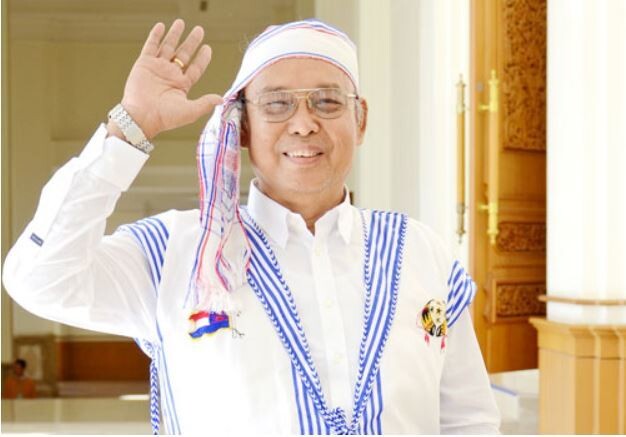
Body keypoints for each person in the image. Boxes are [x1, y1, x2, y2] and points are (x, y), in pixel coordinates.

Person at [3, 18, 500, 434]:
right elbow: (39, 279)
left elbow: (469, 420)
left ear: (361, 119)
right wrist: (131, 125)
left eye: (327, 101)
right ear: (241, 127)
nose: (303, 123)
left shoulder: (419, 252)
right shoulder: (175, 253)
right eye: (277, 104)